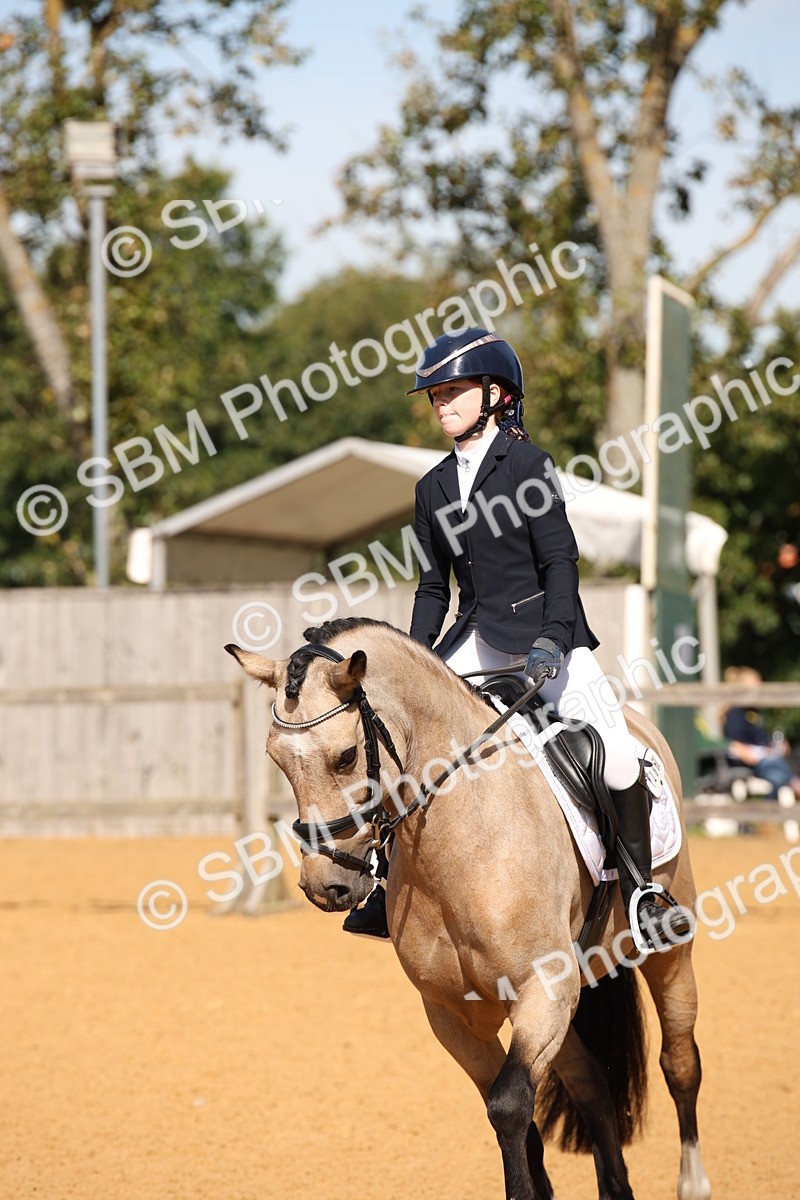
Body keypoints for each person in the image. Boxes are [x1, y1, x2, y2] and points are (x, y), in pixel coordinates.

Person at [343, 327, 690, 949]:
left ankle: (644, 890)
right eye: (435, 395)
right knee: (400, 739)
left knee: (611, 747)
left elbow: (560, 561)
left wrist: (556, 638)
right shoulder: (432, 488)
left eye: (453, 391)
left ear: (495, 394)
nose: (441, 404)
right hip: (473, 636)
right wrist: (414, 662)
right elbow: (432, 588)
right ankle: (383, 881)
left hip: (544, 635)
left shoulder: (529, 466)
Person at [723, 666, 800, 800]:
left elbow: (761, 739)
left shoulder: (754, 712)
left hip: (765, 762)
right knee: (777, 770)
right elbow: (735, 744)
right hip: (749, 764)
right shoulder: (735, 713)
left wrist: (776, 745)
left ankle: (769, 816)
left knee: (779, 776)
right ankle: (795, 784)